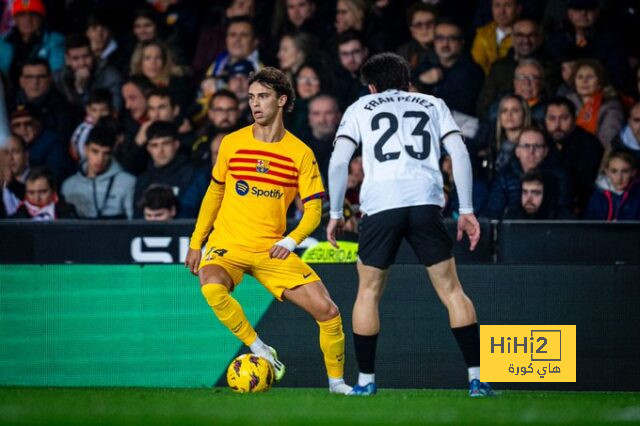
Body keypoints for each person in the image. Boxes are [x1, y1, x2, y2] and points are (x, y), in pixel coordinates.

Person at [326, 52, 494, 397]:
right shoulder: (433, 103)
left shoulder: (360, 108)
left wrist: (334, 214)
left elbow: (339, 160)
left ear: (372, 86)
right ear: (408, 82)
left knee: (368, 292)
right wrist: (466, 209)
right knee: (451, 291)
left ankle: (366, 383)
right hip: (425, 200)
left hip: (380, 203)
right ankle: (477, 380)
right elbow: (459, 154)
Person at [184, 67, 352, 395]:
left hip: (271, 247)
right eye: (251, 98)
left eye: (263, 97)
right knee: (211, 286)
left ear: (282, 100)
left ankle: (337, 383)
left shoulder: (300, 153)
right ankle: (260, 348)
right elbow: (214, 194)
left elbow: (314, 211)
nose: (255, 104)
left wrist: (290, 241)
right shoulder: (232, 143)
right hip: (228, 242)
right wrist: (197, 242)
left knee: (328, 311)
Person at [61, 124, 136, 219]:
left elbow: (133, 223)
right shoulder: (68, 185)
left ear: (112, 153)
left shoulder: (127, 182)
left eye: (106, 153)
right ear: (86, 150)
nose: (100, 159)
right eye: (95, 151)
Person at [544, 97, 603, 215]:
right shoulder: (540, 141)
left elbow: (588, 186)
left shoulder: (589, 144)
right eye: (552, 118)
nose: (557, 124)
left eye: (564, 118)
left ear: (574, 119)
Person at [414, 18, 485, 116]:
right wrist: (421, 81)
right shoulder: (426, 64)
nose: (445, 44)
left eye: (452, 38)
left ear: (461, 42)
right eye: (440, 38)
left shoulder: (473, 72)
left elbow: (461, 108)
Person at [585, 150, 640, 221]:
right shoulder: (597, 195)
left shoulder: (637, 195)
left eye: (625, 171)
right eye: (614, 171)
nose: (619, 177)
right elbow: (588, 226)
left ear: (633, 172)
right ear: (607, 172)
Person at [10, 166, 76, 220]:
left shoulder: (67, 213)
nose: (36, 198)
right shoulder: (16, 218)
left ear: (53, 190)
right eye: (31, 193)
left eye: (42, 192)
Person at [504, 171, 572, 219]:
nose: (528, 199)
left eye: (535, 193)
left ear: (548, 195)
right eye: (525, 192)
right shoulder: (511, 219)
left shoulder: (565, 223)